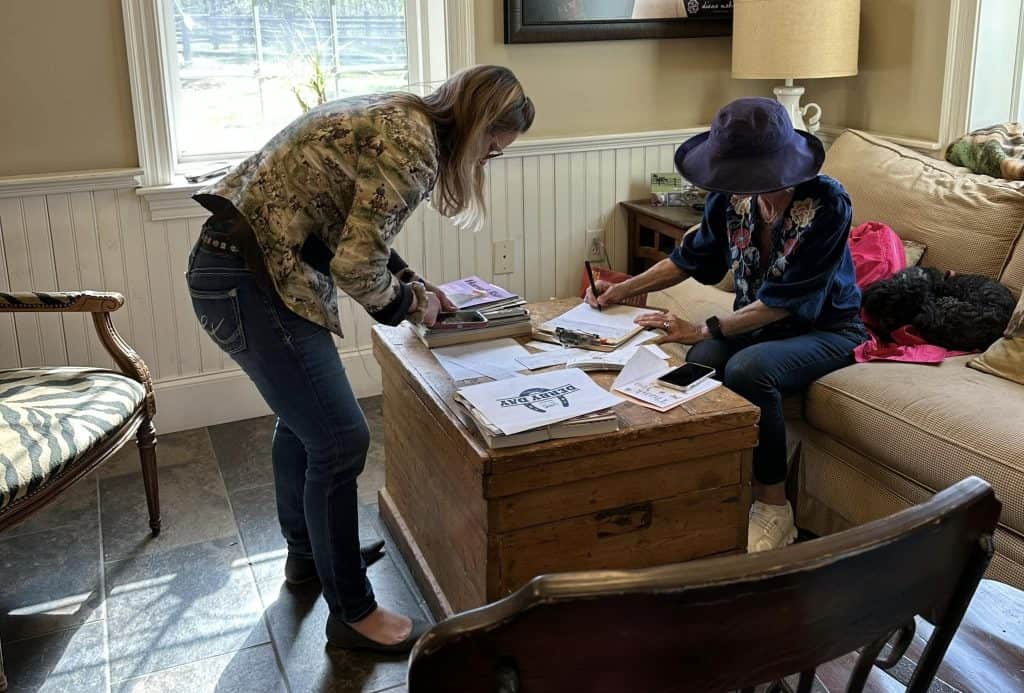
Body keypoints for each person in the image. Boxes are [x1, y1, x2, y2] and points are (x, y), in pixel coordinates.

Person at [185, 66, 534, 652]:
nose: (486, 161)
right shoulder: (414, 146)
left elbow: (349, 235)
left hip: (240, 268)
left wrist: (411, 280)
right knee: (339, 440)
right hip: (250, 277)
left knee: (305, 427)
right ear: (477, 125)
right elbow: (353, 266)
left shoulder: (402, 117)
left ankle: (308, 559)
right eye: (491, 151)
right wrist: (411, 308)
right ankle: (352, 614)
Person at [586, 97, 866, 553]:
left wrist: (702, 327)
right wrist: (621, 288)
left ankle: (775, 509)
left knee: (748, 371)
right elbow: (692, 259)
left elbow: (785, 302)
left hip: (826, 328)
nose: (738, 186)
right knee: (701, 362)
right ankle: (716, 487)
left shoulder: (829, 203)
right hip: (757, 322)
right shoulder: (731, 196)